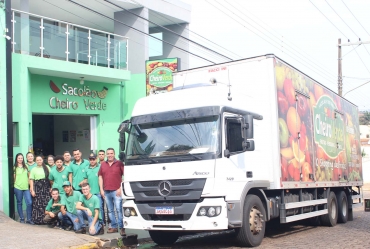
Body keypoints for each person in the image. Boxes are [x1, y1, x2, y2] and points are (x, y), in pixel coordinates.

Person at [98, 148, 125, 235]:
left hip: (117, 191)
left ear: (114, 154)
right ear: (106, 155)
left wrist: (120, 188)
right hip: (106, 191)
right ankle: (113, 227)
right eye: (108, 153)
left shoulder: (119, 164)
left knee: (118, 210)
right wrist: (101, 190)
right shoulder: (103, 165)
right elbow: (100, 177)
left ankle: (121, 228)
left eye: (111, 153)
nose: (110, 155)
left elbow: (126, 175)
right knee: (110, 210)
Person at [83, 153, 106, 225]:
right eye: (90, 159)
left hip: (98, 192)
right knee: (92, 208)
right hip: (90, 193)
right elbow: (85, 180)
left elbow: (103, 179)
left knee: (100, 208)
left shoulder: (100, 167)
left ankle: (101, 222)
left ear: (96, 159)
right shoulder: (86, 168)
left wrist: (102, 190)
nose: (92, 161)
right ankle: (94, 221)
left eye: (93, 159)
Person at [29, 155, 51, 224]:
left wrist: (51, 187)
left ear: (42, 160)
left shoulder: (47, 167)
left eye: (40, 160)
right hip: (37, 188)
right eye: (37, 160)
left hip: (46, 187)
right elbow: (31, 180)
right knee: (37, 204)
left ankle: (47, 219)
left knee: (46, 203)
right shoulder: (33, 169)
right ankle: (38, 220)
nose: (39, 161)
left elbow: (51, 178)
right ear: (36, 161)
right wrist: (32, 190)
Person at [13, 153, 33, 224]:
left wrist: (30, 186)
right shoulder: (14, 167)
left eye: (21, 158)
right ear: (16, 159)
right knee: (19, 203)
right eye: (19, 158)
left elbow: (30, 177)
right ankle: (21, 218)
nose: (20, 159)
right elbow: (14, 178)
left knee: (29, 202)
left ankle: (29, 219)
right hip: (18, 187)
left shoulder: (26, 166)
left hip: (26, 188)